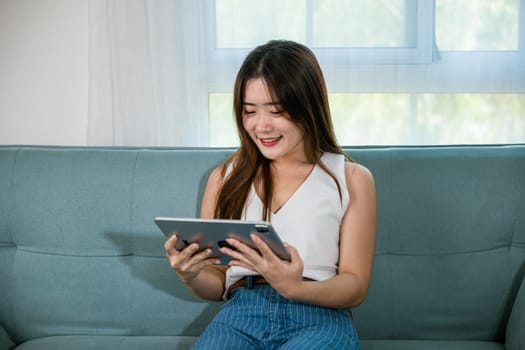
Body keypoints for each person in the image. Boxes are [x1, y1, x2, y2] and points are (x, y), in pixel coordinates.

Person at [164, 40, 377, 349]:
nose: (261, 126)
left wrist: (295, 289)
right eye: (249, 111)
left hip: (320, 315)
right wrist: (190, 274)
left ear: (308, 106)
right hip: (241, 313)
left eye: (276, 111)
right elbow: (217, 281)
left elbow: (355, 286)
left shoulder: (351, 178)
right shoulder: (224, 179)